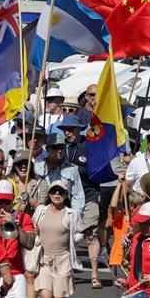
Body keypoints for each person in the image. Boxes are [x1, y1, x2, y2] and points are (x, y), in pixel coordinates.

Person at [32, 180, 84, 298]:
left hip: (63, 261)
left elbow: (78, 233)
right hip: (44, 260)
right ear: (49, 194)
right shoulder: (40, 211)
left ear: (66, 195)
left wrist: (81, 237)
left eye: (60, 192)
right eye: (54, 191)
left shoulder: (71, 214)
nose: (57, 194)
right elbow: (33, 230)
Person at [58, 115, 102, 287]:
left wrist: (79, 169)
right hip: (67, 199)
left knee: (91, 234)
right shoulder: (61, 148)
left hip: (89, 195)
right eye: (65, 130)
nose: (68, 133)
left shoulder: (89, 146)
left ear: (79, 130)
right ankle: (68, 272)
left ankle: (94, 274)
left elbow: (98, 169)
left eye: (71, 130)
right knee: (65, 236)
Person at [34, 133, 85, 215]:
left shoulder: (72, 170)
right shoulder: (37, 166)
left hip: (63, 215)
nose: (60, 150)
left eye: (62, 147)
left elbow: (78, 197)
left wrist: (75, 218)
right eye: (55, 147)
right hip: (40, 213)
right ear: (47, 149)